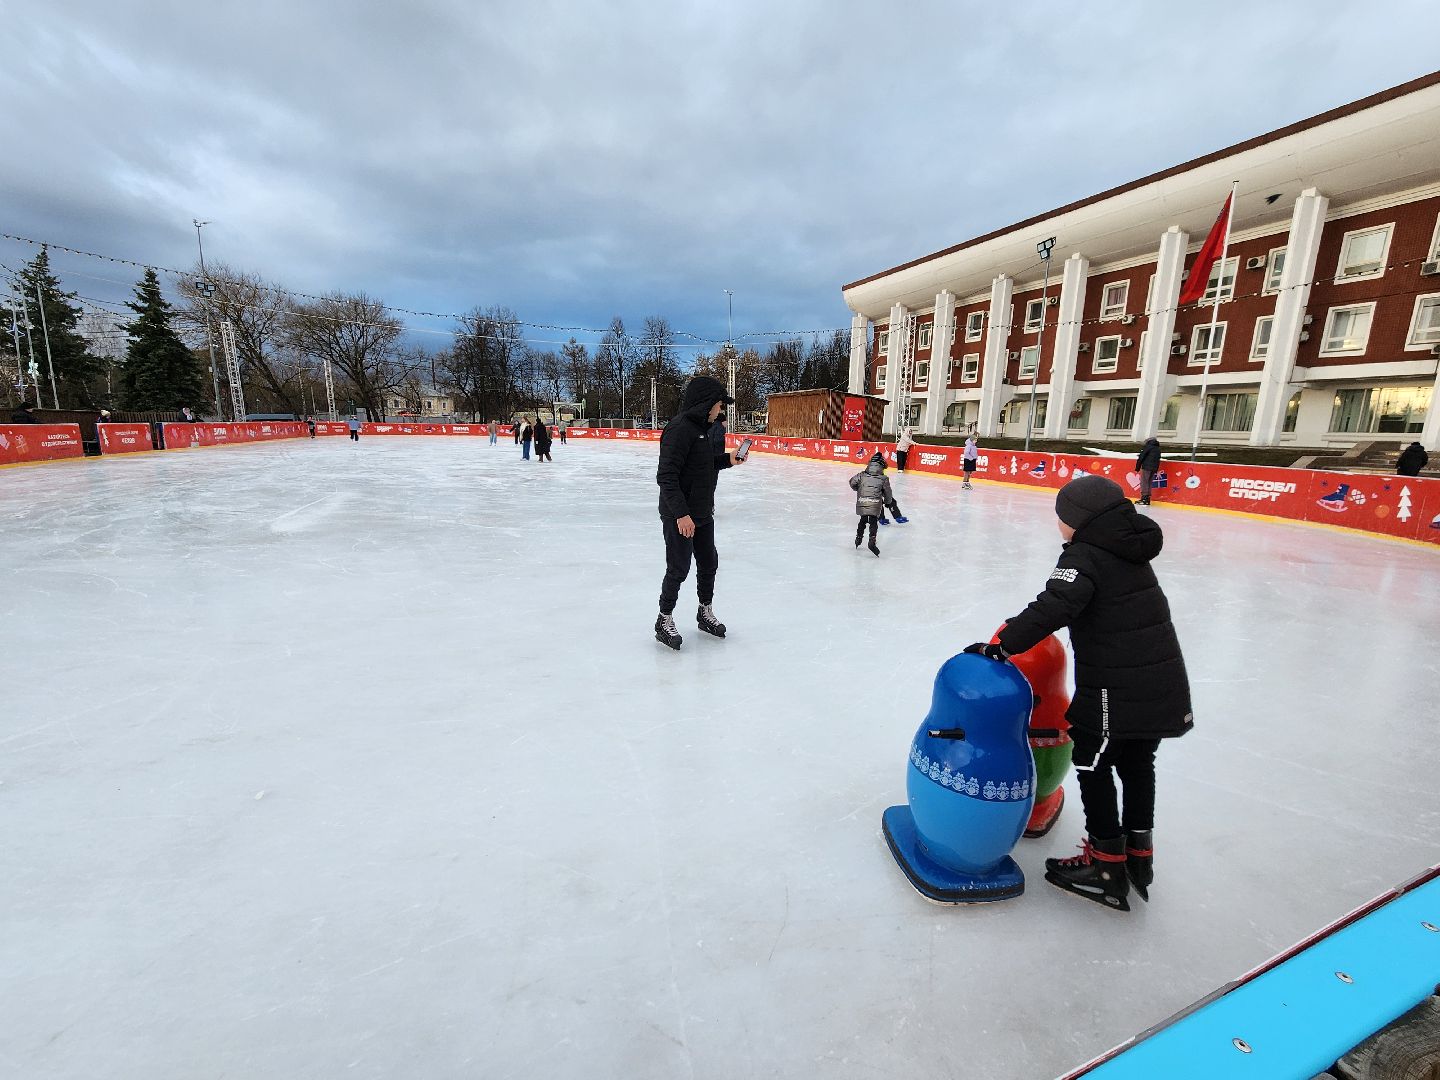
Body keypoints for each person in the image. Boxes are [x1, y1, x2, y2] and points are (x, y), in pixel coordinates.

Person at [965, 474, 1192, 912]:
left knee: (1090, 759)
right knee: (1137, 762)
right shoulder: (1127, 549)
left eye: (1062, 518)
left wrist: (1003, 645)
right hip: (1159, 685)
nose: (1058, 526)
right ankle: (1138, 854)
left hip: (1116, 689)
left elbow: (1056, 606)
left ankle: (1106, 864)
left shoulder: (1085, 556)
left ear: (1080, 520)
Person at [654, 375, 745, 650]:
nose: (720, 410)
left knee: (709, 563)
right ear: (706, 404)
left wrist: (729, 459)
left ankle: (704, 611)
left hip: (703, 512)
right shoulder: (679, 429)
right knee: (679, 568)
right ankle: (663, 619)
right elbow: (667, 476)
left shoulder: (703, 429)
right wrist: (681, 514)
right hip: (679, 514)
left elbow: (704, 466)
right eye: (718, 404)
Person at [849, 452, 902, 556]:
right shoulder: (884, 478)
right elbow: (888, 493)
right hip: (875, 503)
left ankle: (858, 539)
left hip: (862, 501)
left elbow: (852, 482)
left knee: (863, 520)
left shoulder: (861, 475)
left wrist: (859, 489)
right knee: (873, 521)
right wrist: (887, 502)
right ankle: (872, 541)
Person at [1135, 437, 1162, 506]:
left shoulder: (1148, 447)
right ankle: (1147, 499)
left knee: (1144, 482)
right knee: (1149, 482)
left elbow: (1141, 457)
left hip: (1146, 467)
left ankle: (1144, 498)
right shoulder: (1157, 449)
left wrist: (1137, 467)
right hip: (1154, 468)